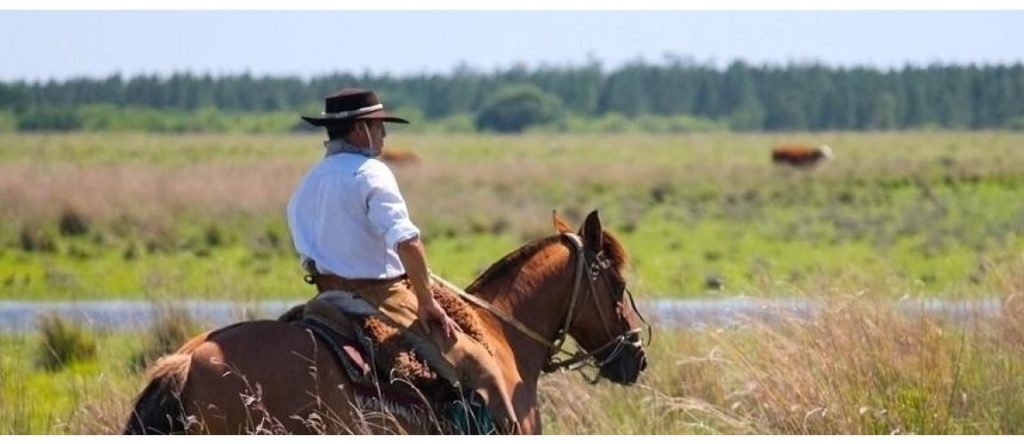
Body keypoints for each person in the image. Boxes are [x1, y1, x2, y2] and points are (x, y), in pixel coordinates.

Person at [286, 88, 518, 433]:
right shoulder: (370, 172)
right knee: (479, 366)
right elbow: (407, 242)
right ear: (359, 128)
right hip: (380, 299)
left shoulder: (309, 181)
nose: (384, 133)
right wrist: (427, 302)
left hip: (323, 300)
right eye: (379, 125)